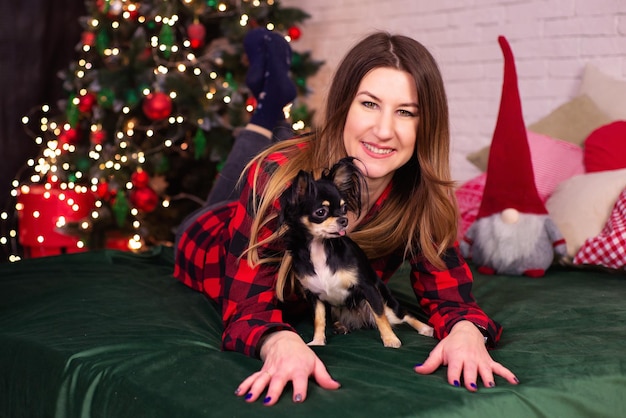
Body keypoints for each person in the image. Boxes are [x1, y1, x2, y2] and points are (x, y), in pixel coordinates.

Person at [174, 30, 519, 407]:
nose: (384, 131)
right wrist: (280, 342)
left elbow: (452, 298)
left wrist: (468, 333)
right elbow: (246, 307)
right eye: (369, 104)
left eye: (405, 112)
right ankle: (269, 107)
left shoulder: (425, 200)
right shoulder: (276, 178)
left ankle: (272, 107)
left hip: (294, 197)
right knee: (260, 169)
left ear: (425, 127)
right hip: (208, 238)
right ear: (342, 106)